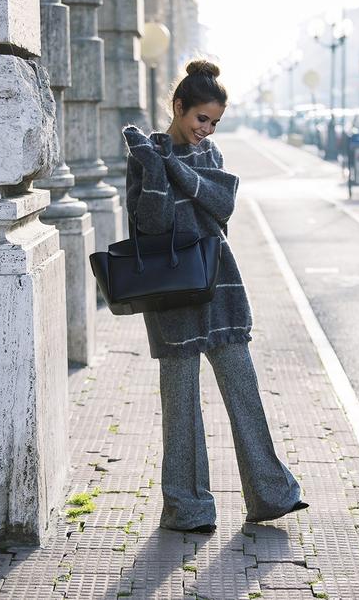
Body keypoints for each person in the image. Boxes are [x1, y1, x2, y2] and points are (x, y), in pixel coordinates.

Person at [122, 59, 308, 534]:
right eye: (200, 118)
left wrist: (176, 169)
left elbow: (222, 206)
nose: (205, 129)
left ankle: (271, 493)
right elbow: (151, 226)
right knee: (181, 409)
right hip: (171, 297)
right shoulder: (146, 155)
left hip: (220, 289)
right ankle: (188, 509)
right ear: (178, 106)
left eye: (214, 122)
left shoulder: (211, 156)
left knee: (245, 395)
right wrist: (154, 165)